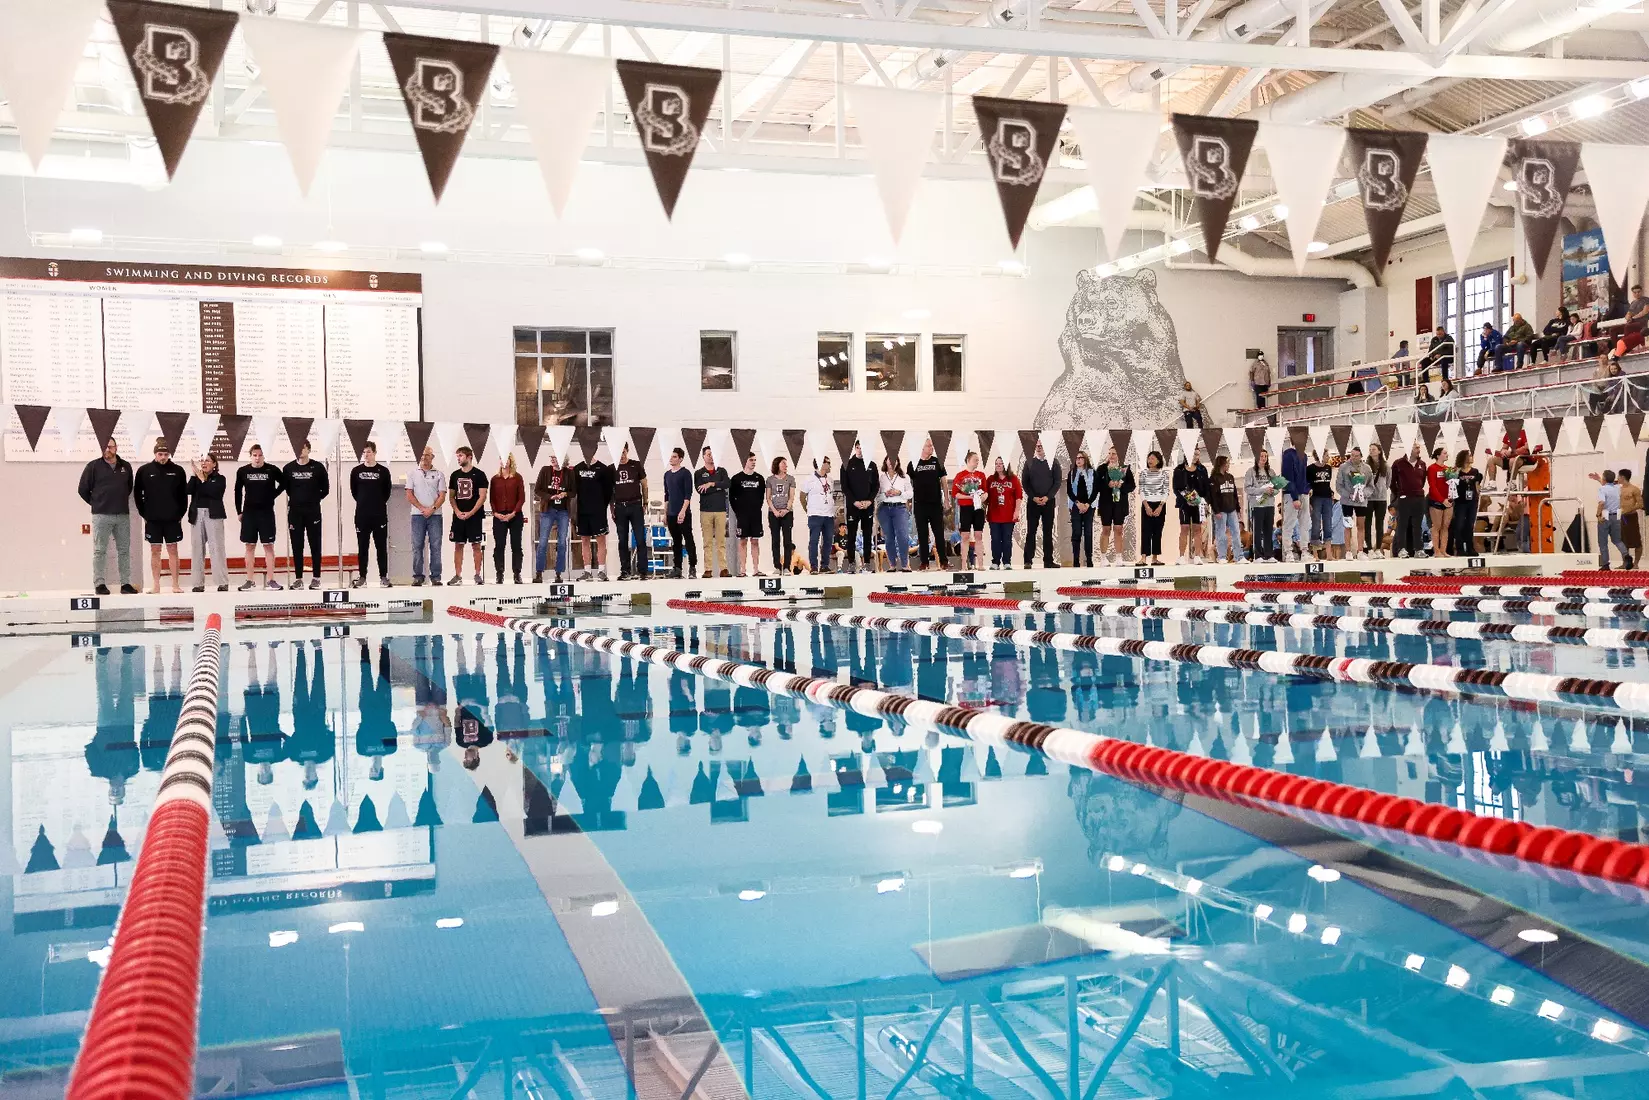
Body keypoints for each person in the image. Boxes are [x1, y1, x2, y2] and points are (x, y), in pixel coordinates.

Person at [79, 437, 137, 596]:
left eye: (110, 447)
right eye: (104, 448)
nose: (107, 450)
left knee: (124, 550)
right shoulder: (93, 466)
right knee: (99, 551)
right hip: (101, 516)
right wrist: (97, 503)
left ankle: (125, 583)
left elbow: (129, 487)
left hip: (122, 515)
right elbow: (82, 489)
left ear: (116, 448)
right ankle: (99, 583)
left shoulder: (126, 466)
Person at [134, 439, 188, 594]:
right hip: (153, 519)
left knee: (173, 549)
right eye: (160, 454)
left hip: (172, 519)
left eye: (165, 454)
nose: (163, 457)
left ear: (169, 454)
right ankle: (156, 585)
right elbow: (138, 494)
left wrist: (180, 514)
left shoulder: (178, 471)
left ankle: (175, 585)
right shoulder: (144, 471)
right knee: (155, 550)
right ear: (155, 454)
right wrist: (144, 514)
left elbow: (183, 496)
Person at [235, 444, 284, 591]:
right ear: (250, 456)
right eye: (254, 455)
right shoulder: (243, 471)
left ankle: (271, 580)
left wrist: (272, 496)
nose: (257, 458)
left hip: (266, 513)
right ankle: (249, 580)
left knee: (268, 546)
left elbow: (285, 483)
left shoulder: (272, 470)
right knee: (249, 546)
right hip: (249, 513)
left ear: (264, 456)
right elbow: (237, 491)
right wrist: (239, 511)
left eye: (260, 455)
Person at [282, 441, 329, 589]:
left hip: (313, 512)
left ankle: (316, 578)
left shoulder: (318, 468)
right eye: (298, 447)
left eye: (303, 447)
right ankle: (298, 579)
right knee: (297, 546)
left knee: (315, 544)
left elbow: (325, 489)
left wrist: (313, 500)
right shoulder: (288, 468)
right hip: (295, 512)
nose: (300, 450)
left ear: (308, 449)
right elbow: (287, 489)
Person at [349, 441, 393, 588]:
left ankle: (383, 577)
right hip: (362, 516)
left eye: (368, 451)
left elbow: (387, 493)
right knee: (363, 547)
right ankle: (362, 577)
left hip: (379, 515)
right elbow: (354, 492)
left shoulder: (384, 471)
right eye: (364, 452)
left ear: (374, 452)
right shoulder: (356, 471)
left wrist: (377, 504)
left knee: (381, 547)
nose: (366, 455)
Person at [447, 446, 489, 585]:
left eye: (460, 456)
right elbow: (452, 497)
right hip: (458, 516)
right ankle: (458, 575)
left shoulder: (480, 475)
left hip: (474, 516)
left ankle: (477, 574)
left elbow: (482, 497)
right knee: (458, 545)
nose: (458, 458)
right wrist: (458, 511)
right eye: (457, 456)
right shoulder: (454, 475)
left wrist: (471, 513)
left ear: (469, 456)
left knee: (476, 545)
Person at [186, 454, 229, 592]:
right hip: (196, 515)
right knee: (197, 549)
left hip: (213, 514)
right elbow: (188, 490)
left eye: (207, 461)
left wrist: (203, 480)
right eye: (202, 461)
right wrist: (194, 475)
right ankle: (197, 583)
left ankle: (222, 582)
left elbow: (214, 492)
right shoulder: (197, 478)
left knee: (216, 548)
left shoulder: (220, 479)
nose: (204, 463)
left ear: (214, 464)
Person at [571, 448, 613, 582]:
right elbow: (574, 490)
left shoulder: (603, 469)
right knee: (584, 541)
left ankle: (601, 571)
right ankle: (587, 571)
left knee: (601, 540)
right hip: (583, 511)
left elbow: (608, 492)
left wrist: (601, 506)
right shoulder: (577, 469)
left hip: (598, 511)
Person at [406, 447, 446, 586]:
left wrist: (433, 508)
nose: (424, 458)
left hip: (435, 516)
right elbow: (409, 494)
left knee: (435, 546)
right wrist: (422, 508)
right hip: (417, 516)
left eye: (427, 455)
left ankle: (436, 577)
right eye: (422, 455)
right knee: (417, 546)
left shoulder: (439, 474)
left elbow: (442, 495)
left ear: (432, 457)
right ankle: (418, 576)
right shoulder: (412, 474)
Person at [906, 440, 948, 570]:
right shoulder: (913, 463)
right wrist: (908, 501)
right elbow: (908, 484)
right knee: (922, 535)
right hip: (920, 505)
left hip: (935, 504)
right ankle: (924, 562)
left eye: (932, 445)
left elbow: (944, 482)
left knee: (939, 534)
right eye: (929, 446)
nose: (932, 448)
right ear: (921, 447)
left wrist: (946, 498)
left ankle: (944, 561)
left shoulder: (937, 461)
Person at [1020, 440, 1062, 569]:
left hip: (1048, 502)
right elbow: (1025, 483)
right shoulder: (1029, 463)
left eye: (1041, 446)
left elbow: (1057, 482)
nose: (1038, 448)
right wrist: (1033, 497)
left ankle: (1048, 560)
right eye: (1037, 446)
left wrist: (1047, 497)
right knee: (1031, 531)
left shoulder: (1054, 462)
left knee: (1048, 532)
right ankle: (1028, 560)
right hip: (1033, 503)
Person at [533, 454, 573, 583]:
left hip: (563, 511)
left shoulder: (568, 473)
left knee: (562, 542)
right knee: (543, 541)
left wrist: (565, 493)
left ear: (562, 459)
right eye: (551, 457)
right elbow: (537, 490)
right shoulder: (545, 470)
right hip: (548, 510)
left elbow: (574, 491)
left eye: (555, 457)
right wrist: (550, 497)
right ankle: (539, 572)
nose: (552, 459)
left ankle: (559, 573)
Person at [610, 443, 647, 580]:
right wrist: (612, 508)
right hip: (620, 507)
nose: (621, 455)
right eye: (619, 452)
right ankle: (625, 571)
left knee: (640, 539)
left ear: (627, 451)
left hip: (635, 505)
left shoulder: (636, 465)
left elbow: (644, 484)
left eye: (624, 452)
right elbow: (610, 492)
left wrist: (645, 502)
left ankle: (643, 571)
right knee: (622, 540)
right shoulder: (612, 468)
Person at [840, 441, 878, 573]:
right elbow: (845, 487)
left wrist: (869, 501)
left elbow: (876, 486)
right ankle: (851, 563)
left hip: (867, 506)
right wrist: (854, 501)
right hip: (853, 506)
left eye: (862, 448)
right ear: (854, 448)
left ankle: (867, 563)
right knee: (851, 535)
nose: (860, 450)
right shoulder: (847, 464)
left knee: (867, 535)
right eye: (857, 448)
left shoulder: (872, 465)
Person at [694, 447, 731, 578]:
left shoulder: (722, 471)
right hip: (706, 511)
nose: (710, 457)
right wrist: (718, 487)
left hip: (721, 510)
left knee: (721, 541)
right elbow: (700, 490)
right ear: (703, 456)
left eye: (712, 454)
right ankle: (708, 569)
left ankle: (723, 568)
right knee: (707, 541)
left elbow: (727, 484)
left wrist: (711, 484)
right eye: (708, 454)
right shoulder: (699, 473)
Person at [490, 454, 527, 584]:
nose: (503, 461)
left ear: (511, 460)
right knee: (499, 545)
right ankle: (499, 573)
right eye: (501, 458)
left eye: (506, 458)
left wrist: (513, 513)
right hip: (499, 515)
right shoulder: (495, 479)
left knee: (516, 545)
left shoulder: (517, 477)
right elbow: (492, 499)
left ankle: (517, 573)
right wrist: (495, 513)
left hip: (515, 516)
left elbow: (521, 498)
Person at [1094, 445, 1134, 565]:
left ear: (1119, 455)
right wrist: (1108, 484)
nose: (1111, 456)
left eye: (1114, 454)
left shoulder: (1125, 469)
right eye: (1110, 453)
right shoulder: (1102, 469)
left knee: (1118, 529)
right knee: (1106, 529)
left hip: (1119, 503)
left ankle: (1118, 557)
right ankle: (1103, 558)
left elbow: (1131, 486)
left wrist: (1121, 486)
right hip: (1106, 503)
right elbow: (1096, 486)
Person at [729, 453, 768, 576]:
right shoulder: (736, 478)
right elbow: (731, 498)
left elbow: (761, 497)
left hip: (755, 514)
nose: (753, 462)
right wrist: (739, 511)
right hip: (742, 515)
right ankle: (743, 570)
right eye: (751, 460)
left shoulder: (760, 478)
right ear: (744, 461)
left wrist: (756, 508)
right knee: (743, 541)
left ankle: (756, 569)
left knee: (755, 541)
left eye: (755, 460)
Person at [1172, 446, 1211, 565]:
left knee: (1197, 529)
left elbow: (1206, 488)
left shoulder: (1202, 469)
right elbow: (1176, 488)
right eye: (1193, 454)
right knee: (1184, 528)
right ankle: (1181, 556)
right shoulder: (1179, 469)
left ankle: (1197, 556)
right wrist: (1186, 499)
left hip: (1198, 504)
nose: (1195, 457)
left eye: (1198, 454)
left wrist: (1205, 502)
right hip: (1184, 504)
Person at [1391, 441, 1429, 558]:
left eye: (1419, 447)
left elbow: (1422, 481)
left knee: (1417, 525)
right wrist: (1400, 493)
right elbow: (1392, 482)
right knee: (1402, 524)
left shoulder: (1422, 464)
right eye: (1416, 447)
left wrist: (1416, 491)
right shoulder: (1398, 463)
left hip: (1419, 497)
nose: (1418, 449)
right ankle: (1401, 549)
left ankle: (1418, 549)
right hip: (1404, 498)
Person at [661, 448, 695, 579]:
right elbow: (667, 495)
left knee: (688, 539)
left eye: (674, 457)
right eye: (670, 456)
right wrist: (665, 513)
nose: (671, 459)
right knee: (676, 541)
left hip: (683, 513)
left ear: (680, 458)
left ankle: (692, 567)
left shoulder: (685, 473)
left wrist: (683, 511)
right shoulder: (667, 475)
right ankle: (677, 568)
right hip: (671, 513)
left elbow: (688, 494)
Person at [951, 452, 987, 571]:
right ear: (968, 460)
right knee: (965, 536)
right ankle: (964, 564)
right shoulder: (960, 475)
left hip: (978, 508)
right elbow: (956, 494)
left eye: (978, 460)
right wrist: (970, 497)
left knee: (978, 535)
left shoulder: (981, 475)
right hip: (966, 508)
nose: (977, 462)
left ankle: (980, 564)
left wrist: (981, 497)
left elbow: (986, 492)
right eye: (975, 460)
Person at [877, 454, 914, 572]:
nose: (892, 463)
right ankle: (892, 564)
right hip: (885, 508)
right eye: (889, 460)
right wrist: (885, 494)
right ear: (886, 462)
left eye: (895, 460)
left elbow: (910, 493)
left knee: (902, 536)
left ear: (898, 462)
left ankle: (904, 563)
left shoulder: (904, 477)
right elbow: (877, 496)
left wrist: (899, 493)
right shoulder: (882, 477)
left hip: (900, 508)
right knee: (889, 537)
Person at [984, 456, 1021, 570]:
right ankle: (995, 562)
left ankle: (1007, 562)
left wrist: (1016, 512)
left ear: (1006, 465)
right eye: (996, 463)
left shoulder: (1013, 479)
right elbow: (985, 497)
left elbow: (1018, 497)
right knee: (995, 539)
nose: (998, 465)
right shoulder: (990, 479)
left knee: (1007, 539)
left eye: (1000, 463)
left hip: (1008, 515)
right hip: (994, 515)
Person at [800, 456, 835, 574]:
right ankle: (814, 566)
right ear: (821, 464)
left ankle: (825, 565)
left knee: (828, 540)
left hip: (829, 515)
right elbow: (802, 497)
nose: (830, 465)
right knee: (814, 540)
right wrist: (808, 510)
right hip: (815, 515)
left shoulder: (830, 480)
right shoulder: (809, 479)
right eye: (828, 463)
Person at [1243, 449, 1280, 562]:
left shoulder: (1271, 472)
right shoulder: (1251, 472)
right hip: (1257, 505)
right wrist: (1263, 490)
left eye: (1265, 456)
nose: (1264, 458)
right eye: (1261, 456)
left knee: (1269, 530)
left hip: (1269, 505)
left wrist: (1271, 491)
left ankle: (1269, 555)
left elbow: (1277, 488)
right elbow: (1248, 488)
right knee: (1257, 531)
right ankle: (1257, 555)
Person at [1335, 446, 1370, 560]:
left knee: (1361, 525)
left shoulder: (1367, 468)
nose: (1353, 458)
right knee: (1347, 525)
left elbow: (1371, 486)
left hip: (1361, 501)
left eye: (1356, 456)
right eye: (1352, 455)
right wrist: (1348, 494)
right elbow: (1338, 486)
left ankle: (1360, 551)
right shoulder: (1343, 467)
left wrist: (1363, 494)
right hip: (1347, 501)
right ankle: (1348, 551)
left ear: (1361, 456)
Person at [1138, 451, 1169, 567]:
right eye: (1148, 458)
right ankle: (1143, 558)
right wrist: (1146, 506)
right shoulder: (1143, 473)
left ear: (1159, 460)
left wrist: (1161, 506)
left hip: (1160, 504)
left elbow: (1166, 490)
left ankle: (1155, 558)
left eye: (1152, 458)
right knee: (1146, 531)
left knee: (1157, 531)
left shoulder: (1164, 474)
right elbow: (1141, 490)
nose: (1150, 460)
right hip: (1147, 503)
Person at [1066, 451, 1098, 568]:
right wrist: (1078, 504)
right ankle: (1076, 559)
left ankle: (1089, 558)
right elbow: (1069, 491)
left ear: (1085, 459)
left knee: (1088, 532)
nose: (1078, 460)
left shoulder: (1092, 473)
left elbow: (1095, 490)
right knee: (1077, 532)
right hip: (1076, 506)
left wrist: (1088, 504)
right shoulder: (1072, 473)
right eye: (1077, 458)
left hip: (1089, 506)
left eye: (1081, 458)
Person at [1209, 454, 1242, 563]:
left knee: (1236, 532)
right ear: (1222, 464)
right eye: (1227, 463)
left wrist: (1238, 509)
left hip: (1232, 509)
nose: (1228, 465)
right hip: (1220, 511)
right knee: (1221, 533)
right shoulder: (1214, 478)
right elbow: (1212, 496)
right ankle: (1222, 556)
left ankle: (1239, 557)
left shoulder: (1230, 477)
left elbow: (1235, 494)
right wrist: (1216, 510)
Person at [1449, 449, 1483, 556]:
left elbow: (1477, 487)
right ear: (1464, 457)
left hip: (1472, 502)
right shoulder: (1456, 471)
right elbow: (1452, 485)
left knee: (1470, 525)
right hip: (1460, 502)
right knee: (1459, 525)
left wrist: (1479, 494)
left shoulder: (1475, 471)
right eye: (1469, 455)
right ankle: (1459, 549)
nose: (1472, 457)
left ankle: (1470, 548)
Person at [1598, 468, 1633, 570]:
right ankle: (1626, 555)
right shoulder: (1618, 488)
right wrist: (1601, 479)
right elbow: (1611, 483)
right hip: (1616, 516)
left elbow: (1601, 503)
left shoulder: (1602, 489)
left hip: (1605, 515)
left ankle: (1605, 565)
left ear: (1604, 479)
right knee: (1617, 540)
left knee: (1603, 542)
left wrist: (1598, 515)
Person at [1280, 438, 1309, 562]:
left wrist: (1307, 489)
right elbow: (1288, 477)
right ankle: (1288, 552)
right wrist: (1294, 497)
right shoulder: (1288, 455)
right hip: (1291, 495)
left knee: (1305, 524)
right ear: (1294, 441)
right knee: (1289, 523)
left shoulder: (1305, 456)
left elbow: (1304, 476)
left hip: (1304, 493)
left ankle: (1304, 551)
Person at [768, 456, 797, 573]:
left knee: (787, 540)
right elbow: (768, 498)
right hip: (773, 513)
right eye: (783, 463)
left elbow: (791, 497)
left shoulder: (790, 479)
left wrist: (786, 509)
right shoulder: (770, 480)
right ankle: (777, 566)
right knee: (775, 540)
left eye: (786, 464)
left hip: (787, 513)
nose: (786, 466)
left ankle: (786, 566)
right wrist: (774, 511)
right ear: (777, 465)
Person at [1305, 450, 1335, 561]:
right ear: (1320, 455)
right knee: (1316, 526)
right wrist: (1309, 502)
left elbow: (1327, 484)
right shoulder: (1310, 469)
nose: (1328, 457)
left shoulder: (1328, 468)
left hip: (1327, 498)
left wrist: (1331, 494)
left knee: (1328, 525)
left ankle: (1329, 554)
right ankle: (1315, 554)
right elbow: (1307, 486)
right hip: (1316, 498)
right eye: (1327, 455)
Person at [1363, 443, 1389, 559]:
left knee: (1379, 524)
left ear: (1379, 451)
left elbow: (1388, 482)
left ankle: (1378, 548)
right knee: (1367, 524)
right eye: (1370, 449)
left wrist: (1382, 490)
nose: (1371, 451)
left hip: (1381, 499)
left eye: (1373, 449)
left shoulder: (1386, 466)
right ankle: (1369, 549)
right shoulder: (1365, 466)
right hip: (1368, 499)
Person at [1427, 446, 1453, 558]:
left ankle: (1443, 550)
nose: (1447, 455)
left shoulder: (1448, 469)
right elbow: (1432, 486)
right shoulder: (1432, 468)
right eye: (1445, 453)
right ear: (1438, 455)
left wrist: (1449, 499)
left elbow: (1451, 485)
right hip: (1436, 501)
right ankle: (1436, 551)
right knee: (1436, 526)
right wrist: (1442, 500)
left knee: (1445, 526)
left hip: (1448, 501)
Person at [1622, 469, 1643, 566]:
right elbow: (1606, 483)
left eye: (1618, 476)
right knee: (1623, 540)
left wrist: (1629, 509)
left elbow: (1640, 504)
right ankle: (1625, 563)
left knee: (1636, 541)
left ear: (1622, 477)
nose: (1617, 478)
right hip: (1623, 518)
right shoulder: (1619, 489)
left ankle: (1636, 564)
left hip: (1631, 517)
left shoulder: (1634, 489)